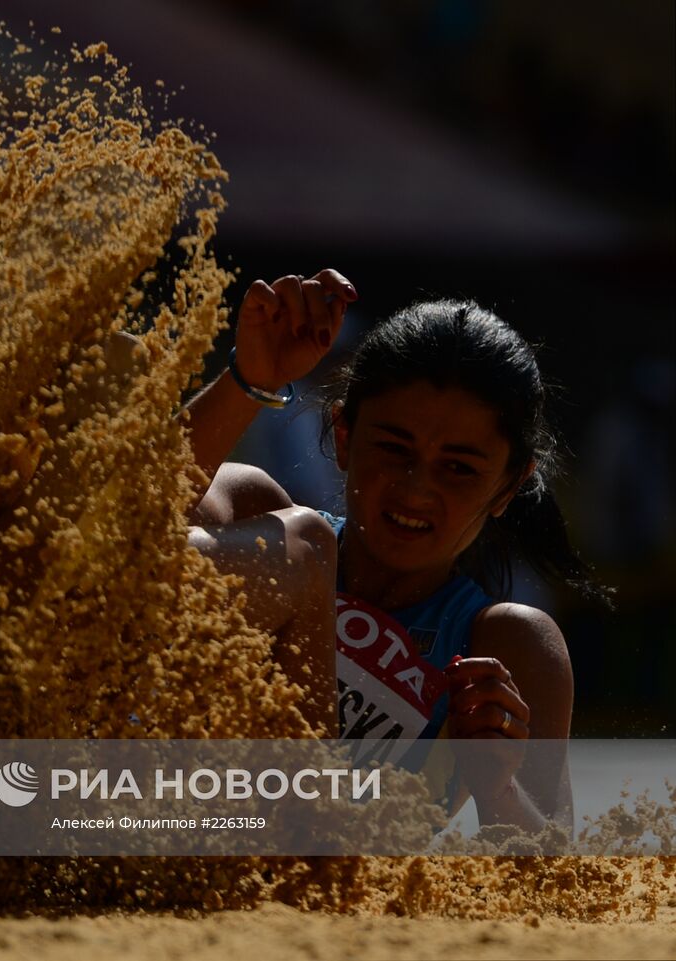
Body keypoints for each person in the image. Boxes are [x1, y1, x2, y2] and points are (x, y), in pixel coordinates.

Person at [174, 269, 600, 831]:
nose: (416, 489)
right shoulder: (264, 521)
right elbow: (118, 534)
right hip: (156, 820)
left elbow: (558, 877)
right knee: (298, 544)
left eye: (458, 469)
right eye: (393, 449)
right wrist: (249, 378)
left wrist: (498, 788)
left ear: (509, 487)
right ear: (344, 437)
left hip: (317, 879)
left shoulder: (508, 645)